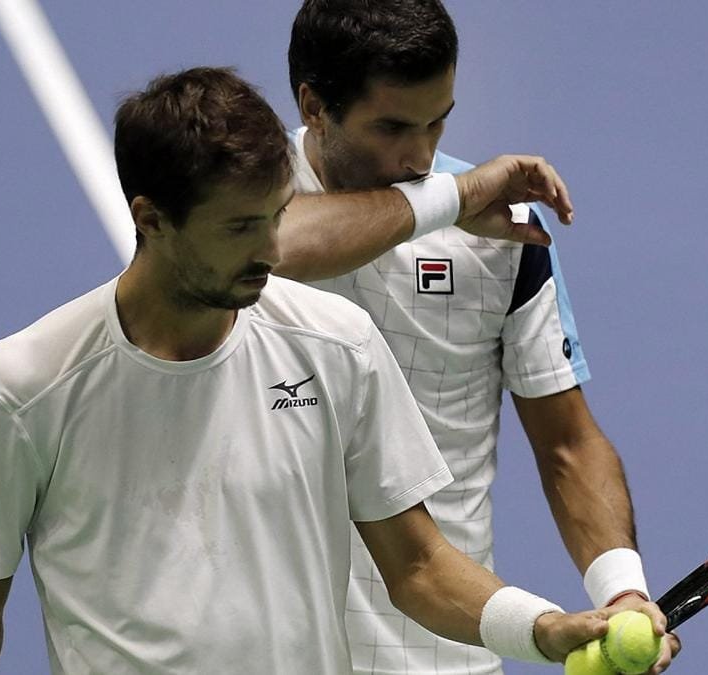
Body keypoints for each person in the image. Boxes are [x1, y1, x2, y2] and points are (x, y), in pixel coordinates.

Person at [0, 67, 626, 675]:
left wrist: (541, 626)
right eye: (238, 228)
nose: (269, 249)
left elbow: (418, 565)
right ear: (150, 217)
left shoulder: (336, 344)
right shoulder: (24, 386)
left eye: (274, 217)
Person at [272, 2, 683, 673]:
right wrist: (451, 200)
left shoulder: (501, 237)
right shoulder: (239, 208)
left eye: (438, 122)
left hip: (441, 651)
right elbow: (275, 244)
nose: (421, 154)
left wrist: (622, 588)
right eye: (393, 127)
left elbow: (568, 444)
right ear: (314, 107)